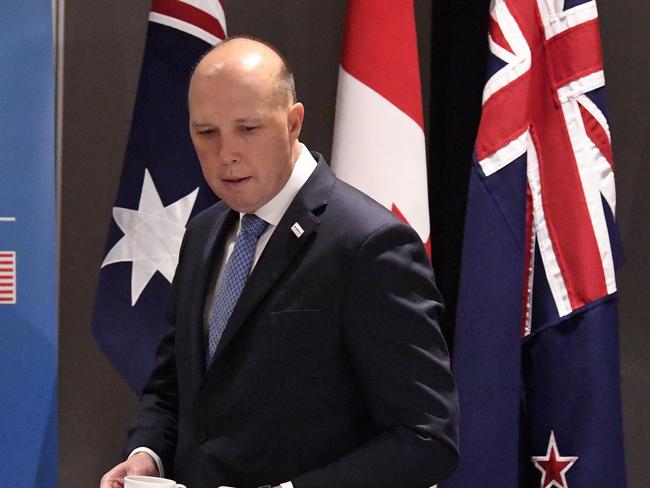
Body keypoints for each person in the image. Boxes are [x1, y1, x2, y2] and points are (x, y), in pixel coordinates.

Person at [100, 36, 459, 488]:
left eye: (247, 128)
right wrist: (147, 454)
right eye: (206, 132)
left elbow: (427, 440)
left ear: (293, 123)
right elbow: (174, 388)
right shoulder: (203, 232)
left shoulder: (371, 244)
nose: (225, 153)